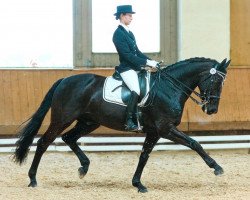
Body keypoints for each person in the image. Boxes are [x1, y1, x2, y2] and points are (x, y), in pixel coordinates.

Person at [112, 5, 159, 132]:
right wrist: (146, 62)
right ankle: (128, 121)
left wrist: (151, 61)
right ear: (122, 16)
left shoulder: (129, 33)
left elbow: (137, 52)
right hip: (126, 68)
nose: (131, 18)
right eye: (129, 15)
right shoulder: (118, 34)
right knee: (136, 90)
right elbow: (127, 56)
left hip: (135, 68)